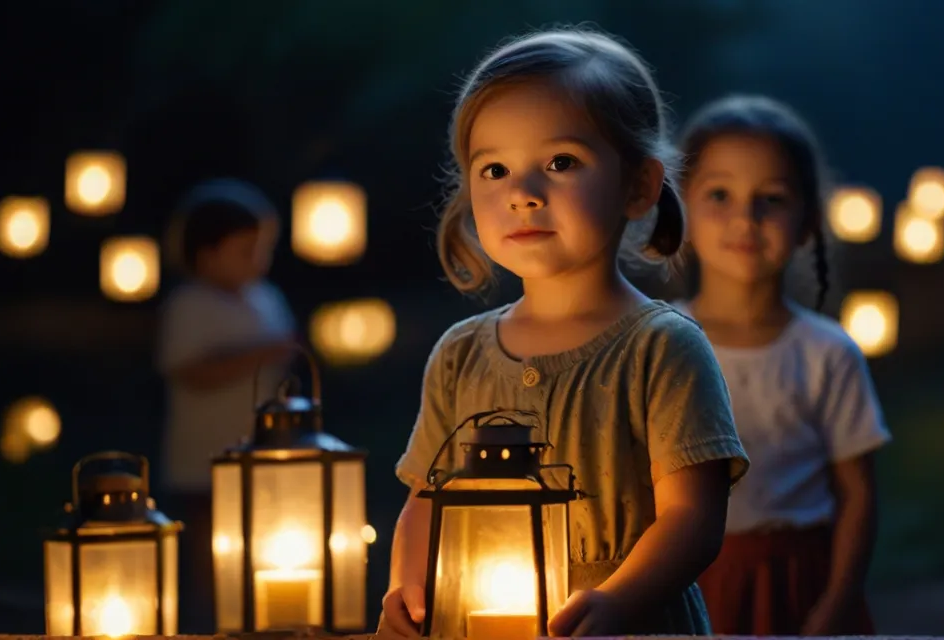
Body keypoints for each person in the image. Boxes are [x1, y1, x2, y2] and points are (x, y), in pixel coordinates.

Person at [377, 28, 750, 639]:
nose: (522, 194)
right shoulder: (459, 356)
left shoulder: (660, 349)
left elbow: (692, 517)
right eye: (494, 169)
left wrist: (618, 601)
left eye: (561, 163)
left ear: (638, 185)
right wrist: (407, 589)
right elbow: (425, 502)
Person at [671, 94, 892, 636]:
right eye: (719, 195)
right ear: (681, 209)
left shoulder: (827, 353)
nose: (746, 218)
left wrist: (837, 602)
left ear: (808, 222)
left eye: (770, 198)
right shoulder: (658, 344)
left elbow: (858, 494)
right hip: (683, 577)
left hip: (798, 581)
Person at [156, 179, 297, 632]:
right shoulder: (190, 305)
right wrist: (261, 355)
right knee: (210, 560)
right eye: (246, 250)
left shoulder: (267, 298)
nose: (259, 260)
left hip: (263, 460)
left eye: (263, 249)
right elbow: (188, 371)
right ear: (206, 253)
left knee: (259, 553)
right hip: (205, 463)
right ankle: (211, 626)